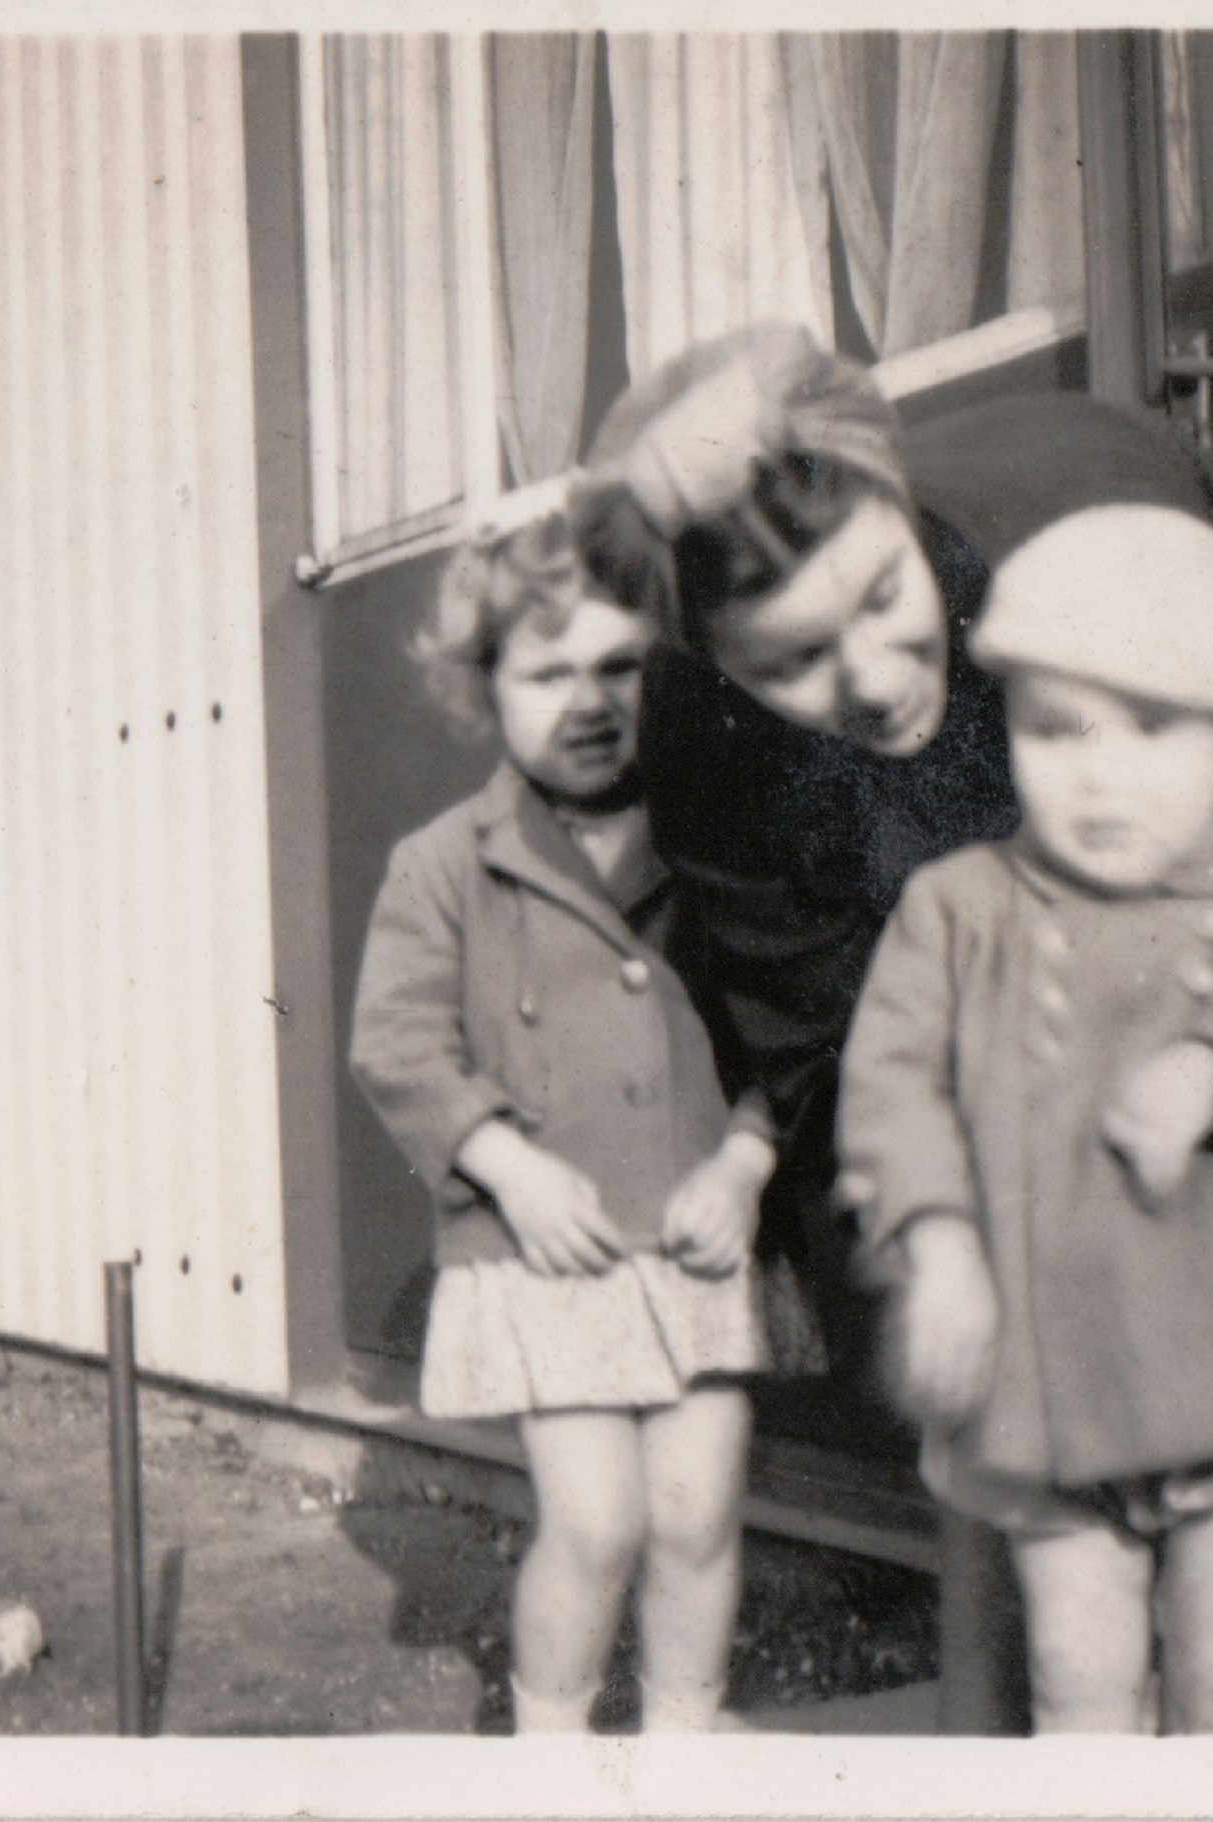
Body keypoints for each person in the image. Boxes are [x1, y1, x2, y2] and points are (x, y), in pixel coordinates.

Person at [567, 321, 1213, 1729]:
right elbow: (834, 1063)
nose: (873, 679)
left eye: (881, 595)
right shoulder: (705, 752)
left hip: (1202, 595)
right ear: (716, 664)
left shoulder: (1115, 571)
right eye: (793, 661)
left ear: (896, 498)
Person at [837, 503, 1213, 1732]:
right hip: (1049, 1387)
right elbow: (891, 1085)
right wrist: (936, 1240)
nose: (1097, 771)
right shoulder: (960, 909)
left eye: (1151, 726)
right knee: (1079, 1676)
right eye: (1057, 729)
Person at [346, 508, 798, 1735]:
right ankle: (550, 1761)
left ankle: (681, 1749)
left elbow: (791, 1031)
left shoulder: (720, 845)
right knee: (598, 1520)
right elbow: (396, 1044)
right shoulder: (447, 862)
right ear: (483, 688)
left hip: (695, 1230)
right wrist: (510, 1169)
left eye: (622, 667)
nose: (590, 700)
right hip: (552, 1241)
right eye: (549, 671)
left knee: (701, 1508)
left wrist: (749, 1166)